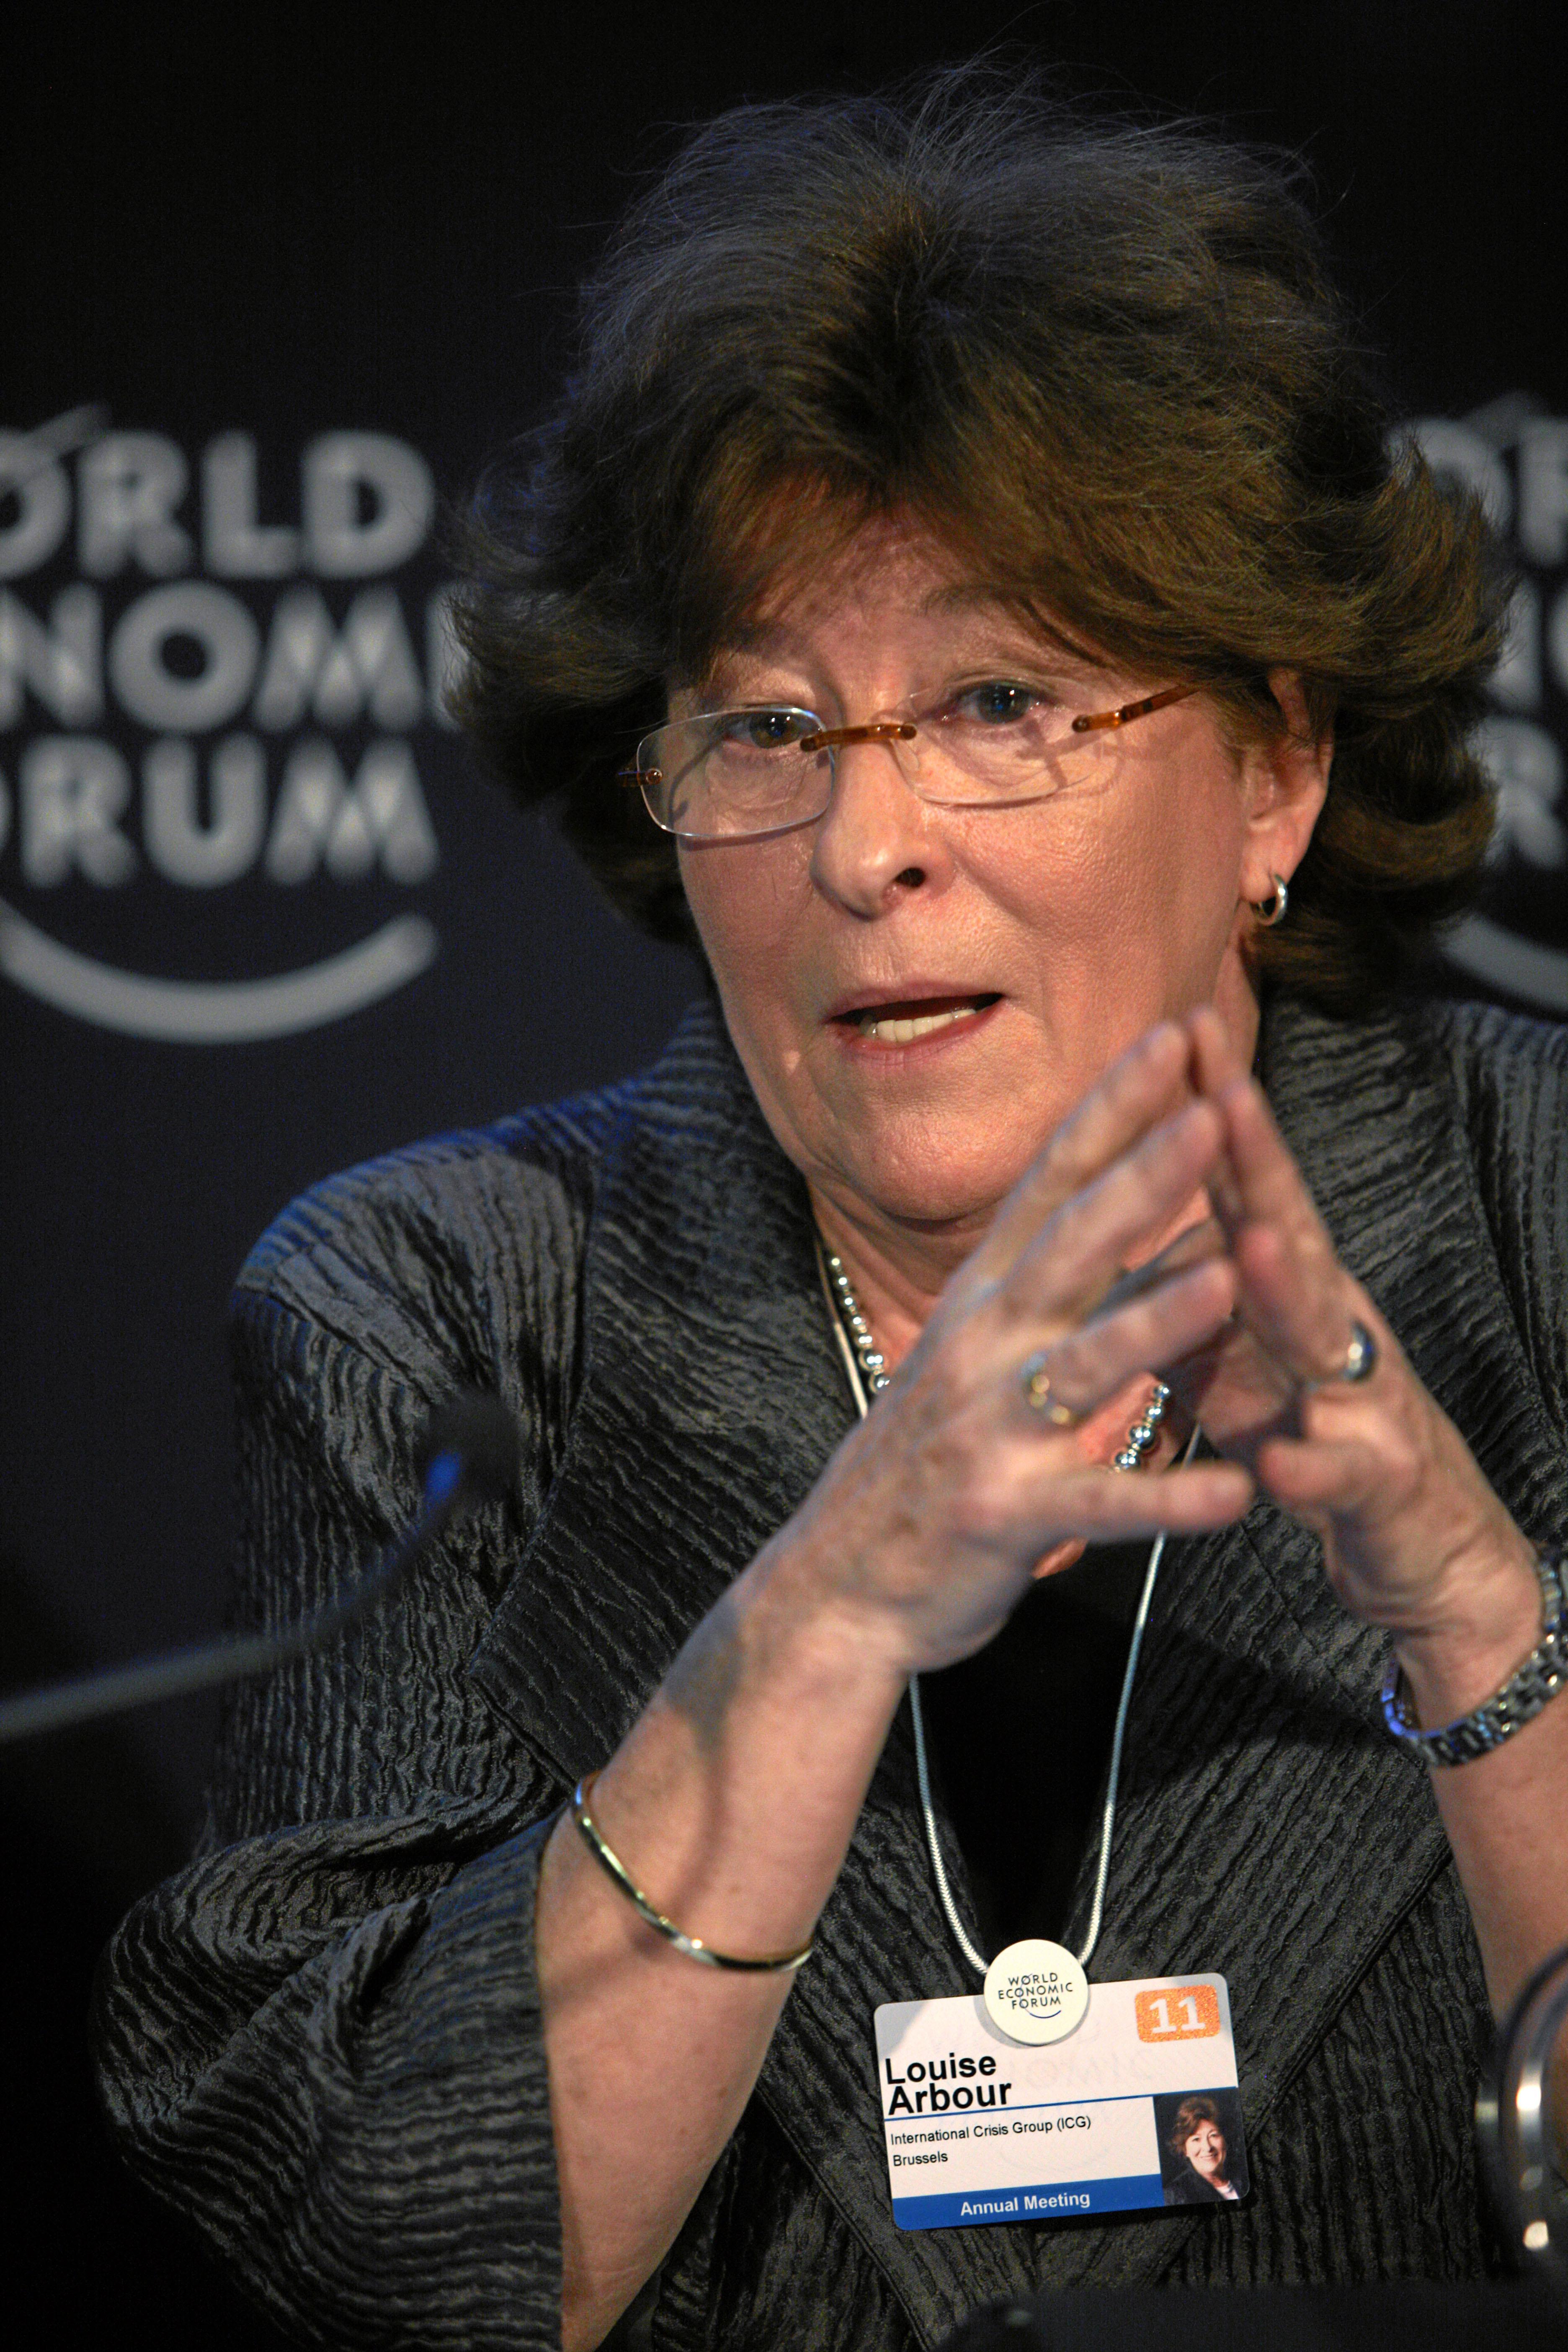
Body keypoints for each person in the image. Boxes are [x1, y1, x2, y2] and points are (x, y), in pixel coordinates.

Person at [94, 70, 1568, 2352]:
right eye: (771, 728)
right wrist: (826, 1604)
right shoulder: (447, 1317)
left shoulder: (1535, 1215)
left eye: (1002, 700)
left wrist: (1481, 1623)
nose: (865, 850)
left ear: (1276, 770)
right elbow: (400, 2257)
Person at [1162, 2099, 1243, 2206]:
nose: (1208, 2147)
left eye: (1213, 2135)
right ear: (1184, 2149)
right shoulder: (1175, 2195)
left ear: (1225, 2140)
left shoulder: (1242, 2177)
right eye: (1196, 2139)